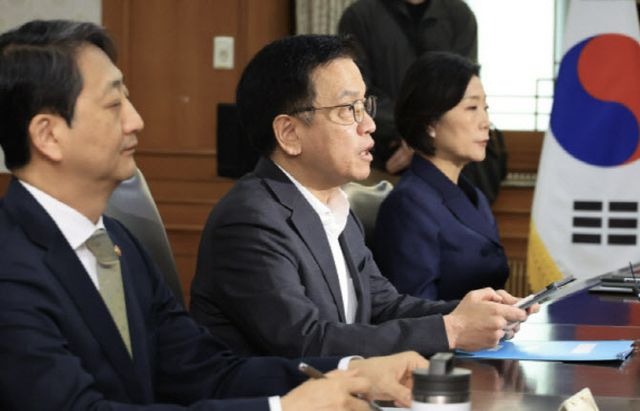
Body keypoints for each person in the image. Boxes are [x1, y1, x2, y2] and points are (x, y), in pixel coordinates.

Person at [0, 19, 430, 411]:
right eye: (114, 104)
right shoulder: (10, 264)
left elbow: (205, 371)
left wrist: (351, 373)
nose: (137, 121)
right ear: (48, 135)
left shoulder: (116, 241)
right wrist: (281, 409)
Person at [190, 34, 531, 359]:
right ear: (289, 133)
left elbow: (384, 307)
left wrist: (473, 314)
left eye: (365, 105)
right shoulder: (250, 220)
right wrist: (452, 330)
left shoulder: (335, 205)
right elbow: (307, 341)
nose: (369, 124)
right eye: (348, 108)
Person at [374, 52, 509, 301]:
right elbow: (413, 310)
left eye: (485, 108)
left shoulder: (472, 194)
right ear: (430, 124)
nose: (485, 122)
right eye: (472, 107)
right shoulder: (408, 205)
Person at [338, 0, 477, 175]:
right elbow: (356, 90)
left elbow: (464, 85)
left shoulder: (458, 13)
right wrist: (412, 131)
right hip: (384, 146)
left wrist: (428, 132)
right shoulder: (359, 15)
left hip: (447, 146)